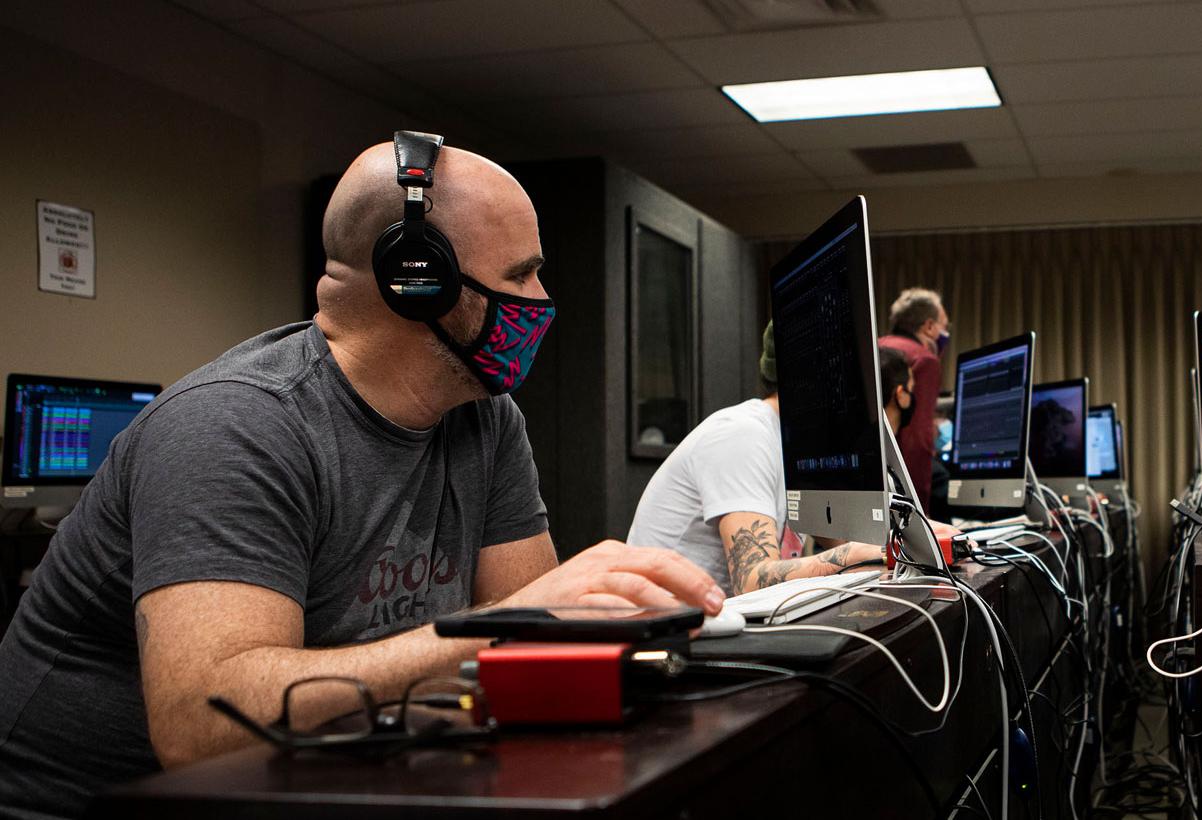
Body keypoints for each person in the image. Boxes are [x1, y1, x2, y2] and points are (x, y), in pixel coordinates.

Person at [0, 134, 724, 819]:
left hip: (320, 779)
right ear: (419, 280)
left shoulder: (484, 416)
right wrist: (512, 627)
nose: (540, 300)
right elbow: (201, 728)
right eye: (520, 275)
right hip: (99, 806)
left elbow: (521, 655)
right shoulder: (236, 426)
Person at [626, 327, 930, 596]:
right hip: (667, 639)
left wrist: (937, 538)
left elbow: (846, 539)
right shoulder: (743, 434)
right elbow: (752, 580)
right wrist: (857, 554)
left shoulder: (798, 448)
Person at [877, 288, 949, 505]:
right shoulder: (924, 360)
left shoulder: (875, 346)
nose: (945, 334)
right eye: (943, 327)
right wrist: (920, 515)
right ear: (928, 326)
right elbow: (917, 441)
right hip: (896, 486)